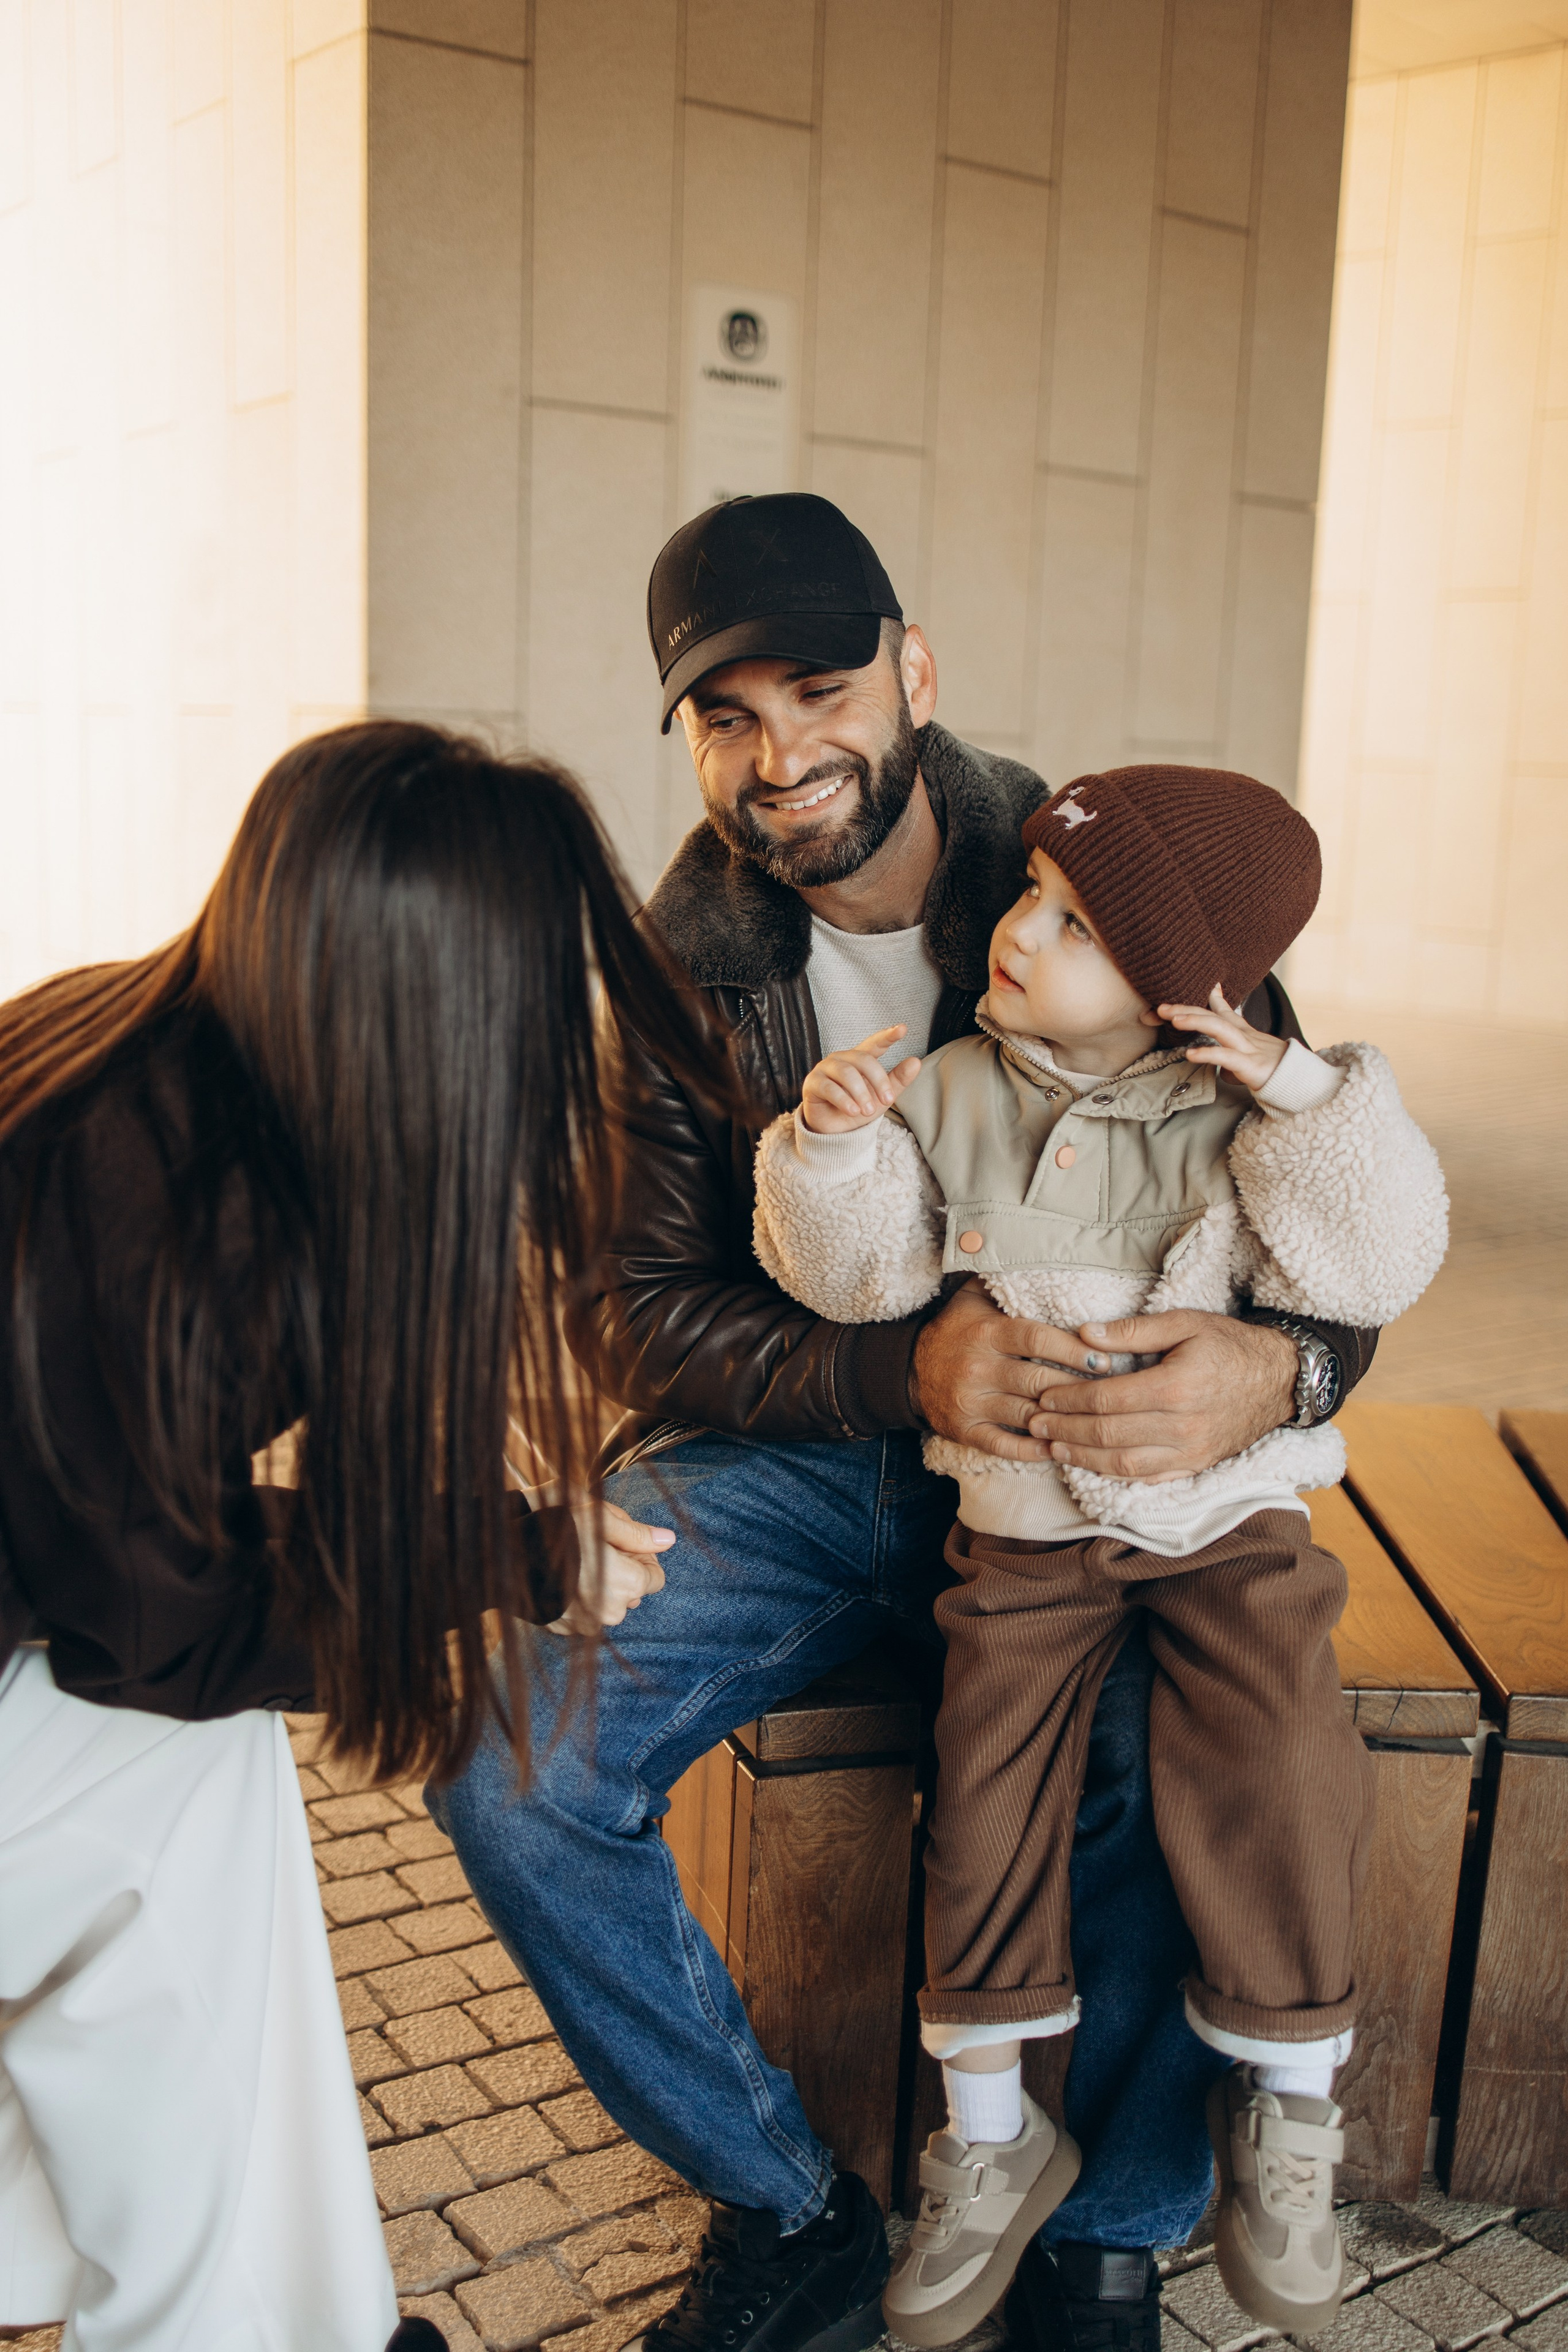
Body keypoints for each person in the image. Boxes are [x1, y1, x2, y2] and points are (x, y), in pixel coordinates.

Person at [436, 494, 1382, 2352]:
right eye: (728, 716)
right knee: (509, 1749)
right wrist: (897, 1374)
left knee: (1157, 1730)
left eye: (821, 687)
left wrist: (1281, 1375)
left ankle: (1101, 2238)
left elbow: (1328, 1200)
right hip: (800, 1472)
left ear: (914, 672)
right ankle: (789, 2208)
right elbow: (631, 1318)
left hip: (1084, 1477)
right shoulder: (667, 970)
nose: (783, 754)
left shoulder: (1114, 869)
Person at [0, 722, 718, 2352]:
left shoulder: (144, 1050)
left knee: (173, 1799)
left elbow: (115, 1518)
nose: (560, 1024)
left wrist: (489, 1498)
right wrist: (499, 1552)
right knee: (183, 1779)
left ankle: (123, 2282)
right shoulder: (166, 1206)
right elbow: (152, 1623)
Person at [753, 764, 1447, 2343]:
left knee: (1277, 1751)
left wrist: (1301, 1092)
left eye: (1072, 926)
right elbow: (858, 1284)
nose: (1016, 933)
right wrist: (827, 1148)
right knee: (986, 1787)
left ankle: (1290, 2102)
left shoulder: (1255, 1113)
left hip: (1228, 1517)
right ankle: (990, 2141)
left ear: (1171, 991)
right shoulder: (954, 1089)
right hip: (1026, 1526)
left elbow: (1381, 1245)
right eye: (1028, 900)